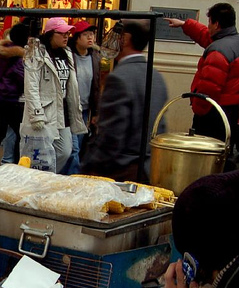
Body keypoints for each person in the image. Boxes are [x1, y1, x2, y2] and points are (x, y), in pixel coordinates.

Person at [82, 20, 168, 181]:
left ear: (125, 39)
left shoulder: (119, 78)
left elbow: (113, 134)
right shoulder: (156, 76)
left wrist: (91, 166)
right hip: (149, 166)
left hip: (122, 169)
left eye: (117, 37)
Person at [166, 3, 239, 142]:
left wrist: (198, 109)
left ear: (216, 24)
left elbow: (209, 88)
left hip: (213, 113)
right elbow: (206, 35)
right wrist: (184, 24)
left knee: (205, 153)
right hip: (230, 109)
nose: (208, 25)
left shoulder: (218, 51)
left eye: (209, 22)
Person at [23, 18, 87, 171]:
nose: (66, 36)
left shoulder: (67, 53)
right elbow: (31, 85)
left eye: (68, 33)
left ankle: (46, 177)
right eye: (62, 33)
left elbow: (72, 85)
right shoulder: (36, 52)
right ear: (51, 34)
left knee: (65, 150)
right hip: (45, 110)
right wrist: (36, 113)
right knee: (39, 154)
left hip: (62, 110)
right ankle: (39, 181)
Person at [62, 20, 101, 175]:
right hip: (70, 108)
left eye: (91, 34)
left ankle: (67, 176)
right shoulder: (68, 56)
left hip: (85, 110)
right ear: (77, 38)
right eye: (85, 35)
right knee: (73, 148)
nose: (90, 38)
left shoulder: (95, 57)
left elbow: (97, 86)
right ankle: (70, 178)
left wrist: (96, 112)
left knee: (77, 146)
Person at [0, 23, 27, 164]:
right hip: (11, 100)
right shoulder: (19, 58)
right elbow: (22, 78)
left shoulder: (4, 54)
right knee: (18, 134)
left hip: (0, 99)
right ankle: (15, 163)